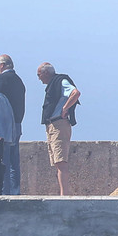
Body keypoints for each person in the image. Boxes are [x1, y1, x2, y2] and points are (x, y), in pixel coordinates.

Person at [36, 63, 81, 196]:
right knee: (57, 161)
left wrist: (65, 108)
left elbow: (75, 93)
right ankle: (63, 193)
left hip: (59, 124)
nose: (39, 78)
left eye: (39, 75)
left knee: (61, 161)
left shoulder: (61, 81)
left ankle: (64, 194)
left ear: (45, 73)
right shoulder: (54, 84)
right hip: (53, 124)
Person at [0, 54, 26, 194]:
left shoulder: (1, 80)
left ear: (2, 65)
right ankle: (15, 191)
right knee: (14, 161)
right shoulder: (19, 81)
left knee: (4, 160)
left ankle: (5, 192)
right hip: (17, 124)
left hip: (4, 125)